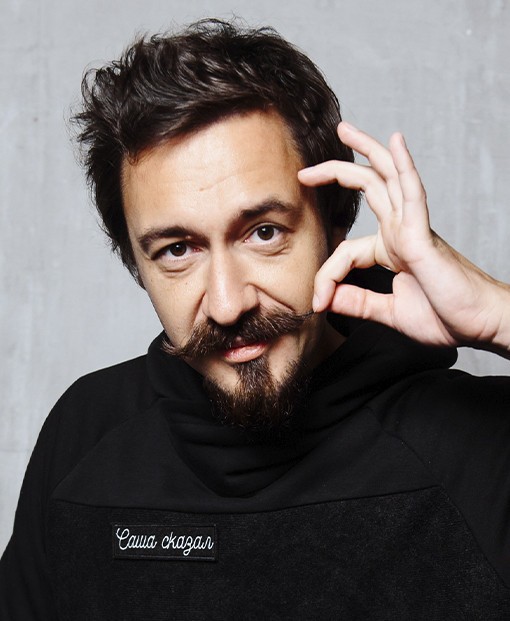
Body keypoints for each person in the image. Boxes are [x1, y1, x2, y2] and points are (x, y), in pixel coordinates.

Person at [1, 18, 510, 619]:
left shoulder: (477, 445)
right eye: (177, 250)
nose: (227, 304)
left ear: (335, 225)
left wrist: (497, 316)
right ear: (137, 265)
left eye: (264, 233)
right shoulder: (87, 433)